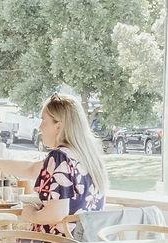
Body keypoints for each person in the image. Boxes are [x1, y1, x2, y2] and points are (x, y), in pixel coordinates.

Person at [21, 94, 107, 232]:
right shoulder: (89, 157)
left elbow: (55, 215)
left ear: (58, 126)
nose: (40, 127)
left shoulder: (59, 157)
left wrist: (29, 213)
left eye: (44, 120)